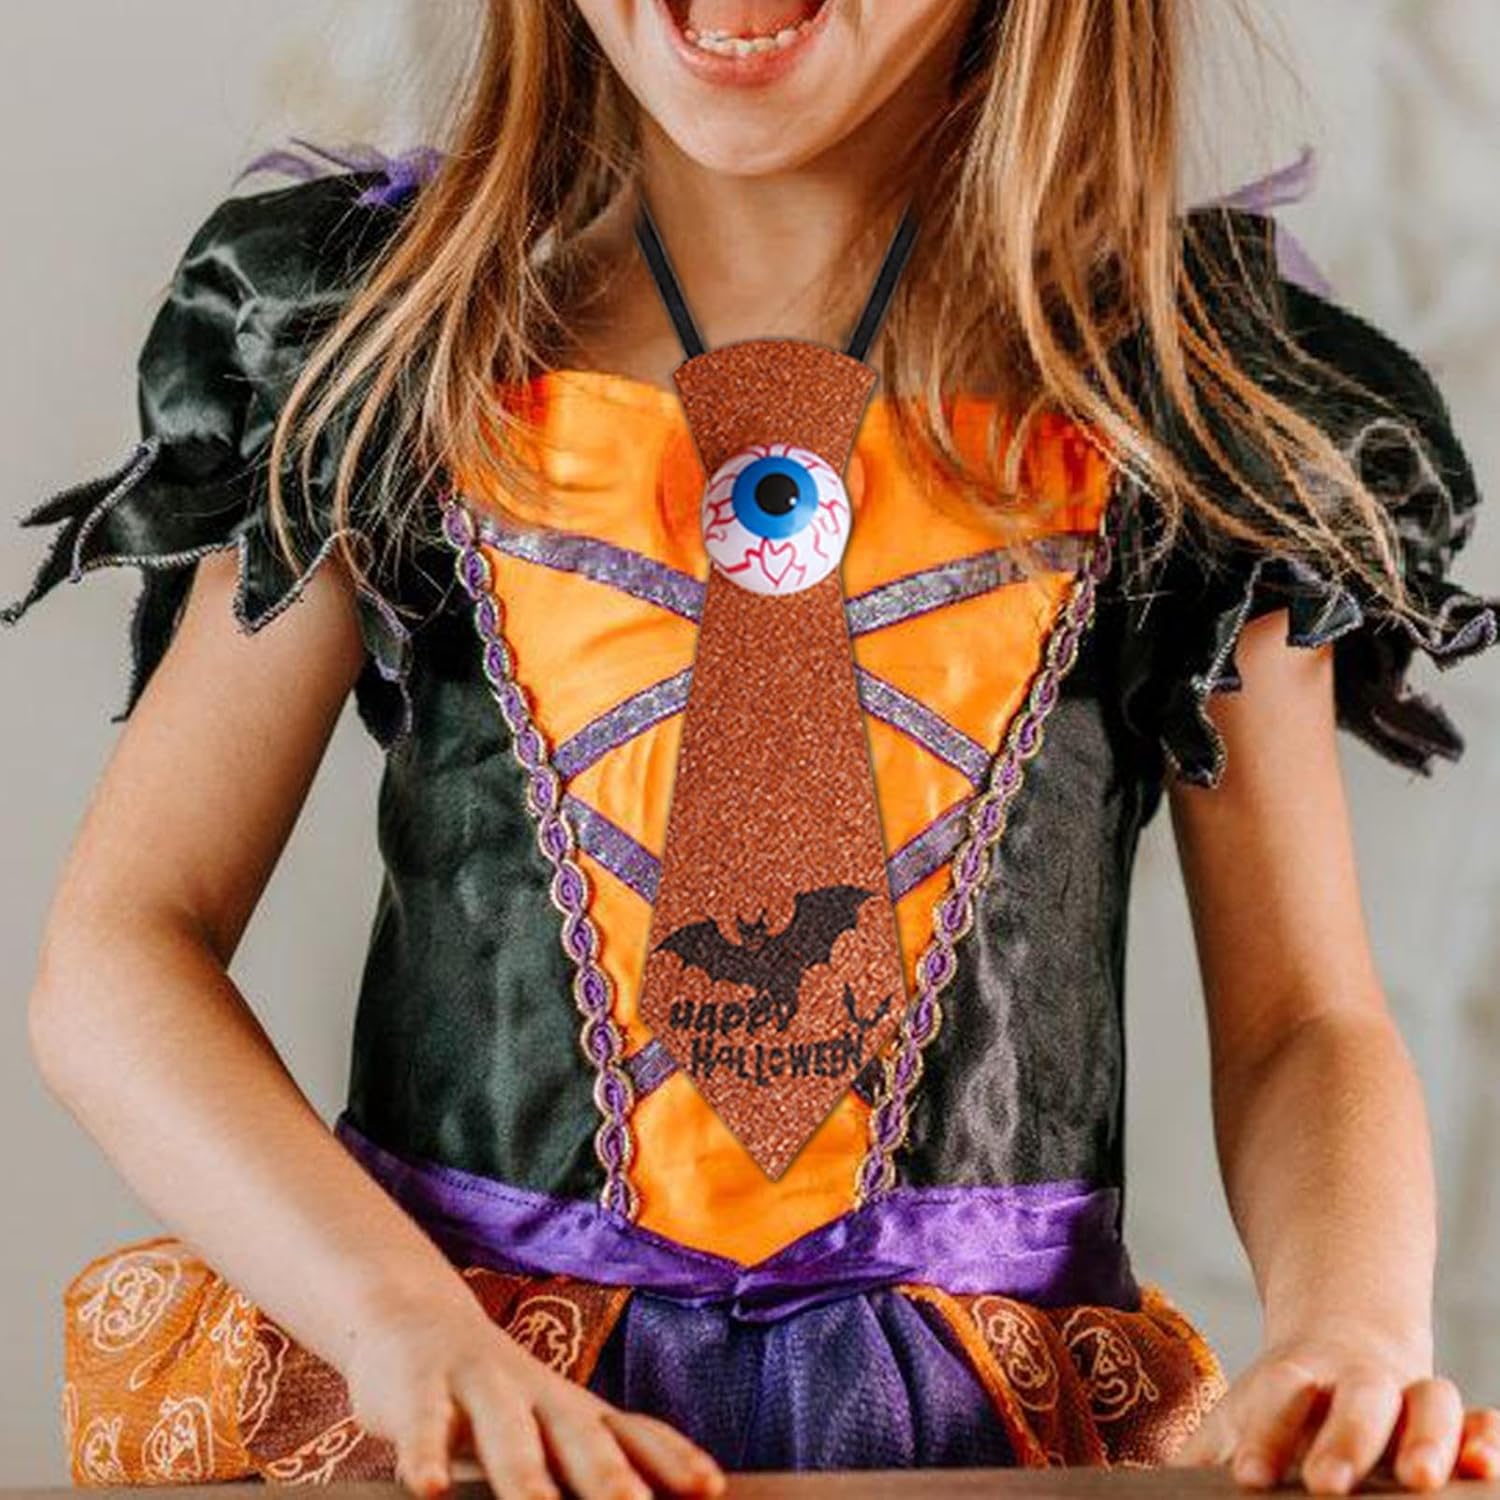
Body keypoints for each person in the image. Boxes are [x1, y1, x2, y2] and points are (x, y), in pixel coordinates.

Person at [4, 0, 1498, 1494]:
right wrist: (398, 1322)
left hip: (966, 1447)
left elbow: (1303, 1022)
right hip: (474, 1431)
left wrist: (1353, 1330)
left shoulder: (1187, 412)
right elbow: (125, 948)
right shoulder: (382, 349)